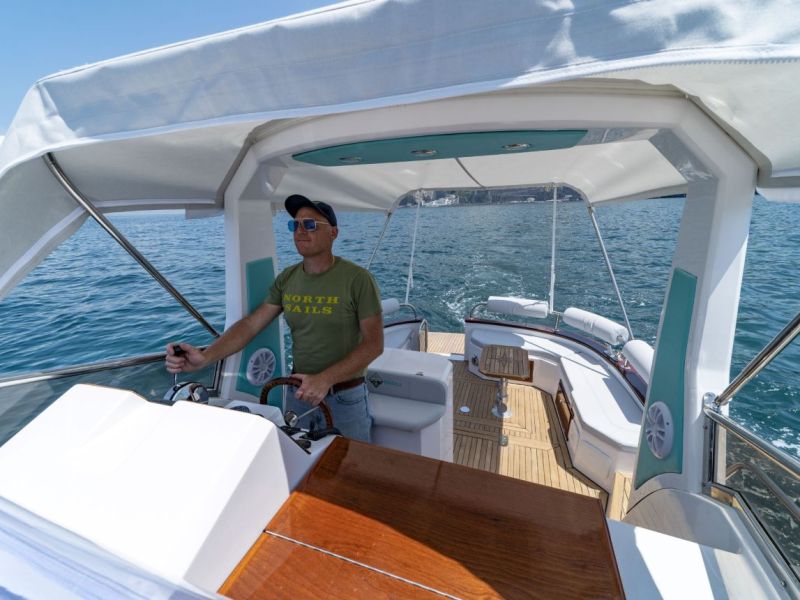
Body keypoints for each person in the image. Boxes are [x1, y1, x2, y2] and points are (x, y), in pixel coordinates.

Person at [166, 194, 383, 442]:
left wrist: (325, 379)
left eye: (310, 224)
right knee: (299, 467)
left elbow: (373, 345)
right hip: (297, 394)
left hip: (345, 397)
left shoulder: (358, 279)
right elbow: (250, 325)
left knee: (349, 471)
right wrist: (205, 357)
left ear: (333, 233)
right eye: (295, 224)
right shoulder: (287, 279)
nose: (300, 231)